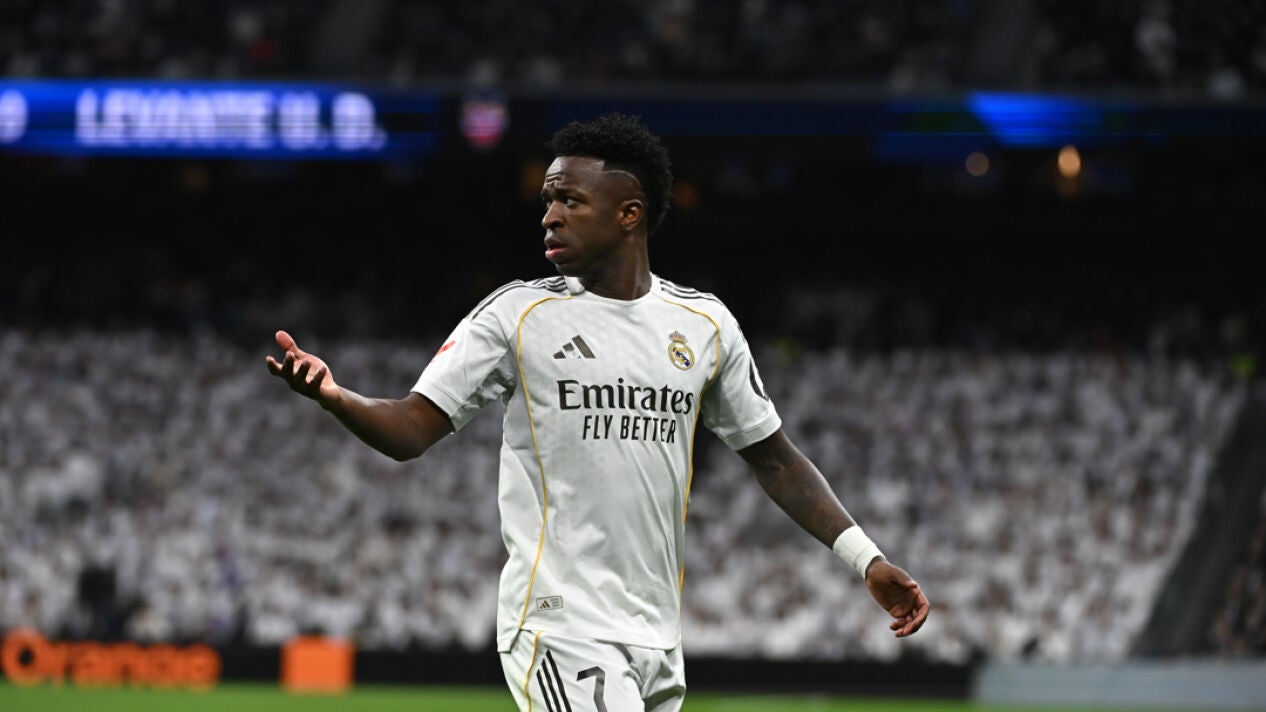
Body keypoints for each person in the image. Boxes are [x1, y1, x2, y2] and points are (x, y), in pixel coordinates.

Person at [266, 113, 928, 711]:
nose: (549, 217)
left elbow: (776, 460)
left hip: (657, 636)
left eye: (570, 200)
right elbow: (411, 429)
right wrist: (335, 396)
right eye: (548, 200)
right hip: (561, 624)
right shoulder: (517, 314)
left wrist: (866, 560)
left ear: (628, 214)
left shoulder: (704, 325)